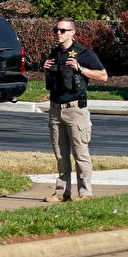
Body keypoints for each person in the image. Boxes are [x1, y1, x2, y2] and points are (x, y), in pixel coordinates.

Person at [43, 18, 107, 202]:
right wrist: (46, 70)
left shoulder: (83, 53)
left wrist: (81, 68)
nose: (58, 33)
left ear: (73, 32)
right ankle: (62, 193)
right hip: (55, 109)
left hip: (75, 109)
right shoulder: (55, 53)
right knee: (61, 155)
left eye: (63, 30)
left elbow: (103, 76)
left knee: (80, 154)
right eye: (56, 30)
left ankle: (85, 193)